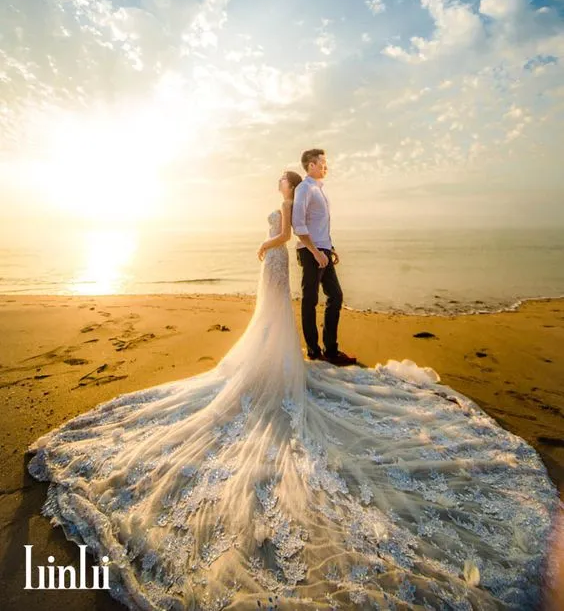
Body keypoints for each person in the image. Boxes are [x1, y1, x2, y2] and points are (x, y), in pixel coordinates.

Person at [26, 172, 560, 611]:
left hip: (275, 261)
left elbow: (283, 237)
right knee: (271, 319)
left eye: (286, 180)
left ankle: (284, 367)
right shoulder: (291, 199)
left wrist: (265, 242)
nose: (285, 185)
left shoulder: (290, 207)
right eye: (286, 181)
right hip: (274, 272)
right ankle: (280, 363)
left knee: (278, 319)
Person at [291, 148, 356, 366]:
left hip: (323, 250)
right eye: (322, 163)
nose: (325, 166)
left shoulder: (320, 190)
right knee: (310, 300)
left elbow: (319, 225)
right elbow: (298, 224)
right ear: (311, 165)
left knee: (335, 296)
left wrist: (329, 248)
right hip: (311, 252)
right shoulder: (304, 188)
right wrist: (315, 251)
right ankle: (314, 350)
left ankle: (331, 350)